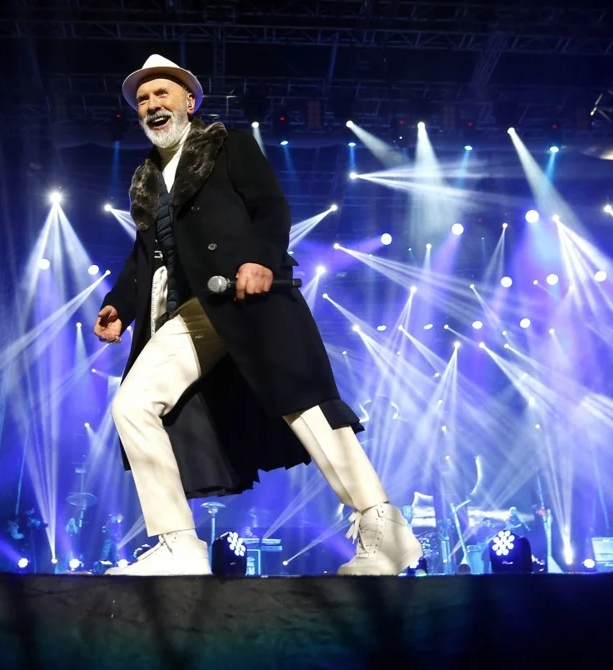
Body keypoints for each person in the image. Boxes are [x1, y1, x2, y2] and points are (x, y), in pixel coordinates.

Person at [94, 54, 422, 576]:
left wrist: (259, 259)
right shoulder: (147, 178)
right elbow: (145, 255)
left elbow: (270, 206)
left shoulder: (227, 145)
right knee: (133, 404)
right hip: (190, 313)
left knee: (305, 406)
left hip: (247, 296)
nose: (152, 105)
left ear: (188, 102)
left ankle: (383, 529)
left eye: (162, 94)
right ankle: (179, 544)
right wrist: (120, 304)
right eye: (143, 99)